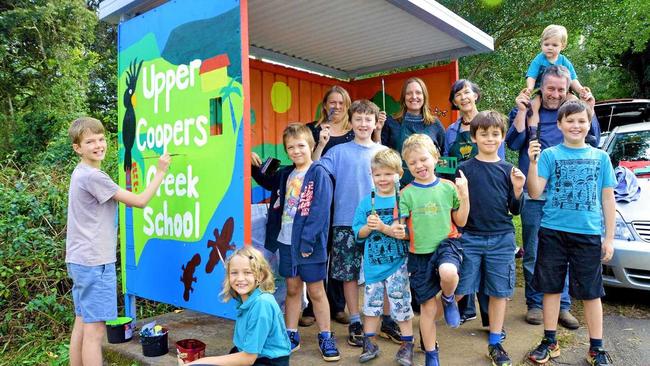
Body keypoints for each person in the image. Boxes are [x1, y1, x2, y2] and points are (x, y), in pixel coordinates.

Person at [66, 117, 171, 366]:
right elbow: (141, 200)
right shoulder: (93, 177)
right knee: (95, 334)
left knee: (82, 323)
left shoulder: (80, 172)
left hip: (80, 261)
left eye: (101, 139)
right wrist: (160, 171)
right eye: (90, 141)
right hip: (95, 263)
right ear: (77, 148)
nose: (98, 145)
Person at [505, 65, 599, 328]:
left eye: (560, 89)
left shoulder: (573, 111)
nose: (555, 94)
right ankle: (535, 303)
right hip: (534, 190)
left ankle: (563, 306)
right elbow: (512, 143)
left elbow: (594, 139)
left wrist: (589, 109)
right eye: (550, 88)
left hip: (565, 191)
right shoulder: (528, 107)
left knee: (564, 250)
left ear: (567, 88)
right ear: (541, 87)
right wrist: (522, 112)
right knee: (534, 250)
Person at [525, 101, 615, 366]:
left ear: (589, 125)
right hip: (553, 232)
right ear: (560, 124)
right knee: (551, 289)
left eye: (581, 121)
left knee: (591, 292)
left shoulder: (601, 158)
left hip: (588, 234)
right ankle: (549, 341)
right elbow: (533, 192)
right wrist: (532, 163)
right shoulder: (550, 155)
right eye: (570, 121)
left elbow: (608, 199)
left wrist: (608, 238)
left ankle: (596, 348)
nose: (576, 126)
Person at [251, 123, 340, 361]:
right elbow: (265, 181)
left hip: (310, 245)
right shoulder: (285, 174)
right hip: (286, 242)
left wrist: (308, 242)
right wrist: (252, 165)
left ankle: (326, 335)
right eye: (290, 147)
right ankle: (291, 334)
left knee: (316, 291)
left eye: (301, 145)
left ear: (311, 145)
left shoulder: (319, 172)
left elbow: (320, 211)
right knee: (292, 289)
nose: (296, 151)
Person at [454, 111, 526, 366]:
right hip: (470, 237)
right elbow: (456, 211)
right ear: (474, 137)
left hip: (501, 239)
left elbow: (515, 210)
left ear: (503, 137)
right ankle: (430, 326)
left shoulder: (509, 170)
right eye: (483, 134)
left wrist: (518, 189)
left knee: (498, 291)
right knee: (460, 288)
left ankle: (495, 341)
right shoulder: (463, 170)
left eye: (495, 134)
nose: (489, 138)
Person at [320, 99, 387, 347]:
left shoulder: (382, 151)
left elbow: (394, 183)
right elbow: (316, 168)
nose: (363, 124)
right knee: (348, 274)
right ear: (351, 121)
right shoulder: (337, 151)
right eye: (358, 119)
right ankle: (355, 319)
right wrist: (321, 144)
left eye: (367, 119)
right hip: (345, 222)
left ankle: (380, 317)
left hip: (377, 222)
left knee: (378, 271)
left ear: (374, 122)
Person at [397, 133, 469, 366]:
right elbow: (402, 225)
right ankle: (431, 354)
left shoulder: (448, 188)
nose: (419, 165)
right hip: (419, 254)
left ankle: (448, 298)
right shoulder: (406, 193)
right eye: (412, 162)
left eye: (423, 159)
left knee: (449, 273)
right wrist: (397, 229)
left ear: (436, 158)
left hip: (447, 244)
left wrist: (465, 195)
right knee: (427, 309)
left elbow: (461, 220)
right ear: (406, 166)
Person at [444, 79, 504, 325]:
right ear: (455, 101)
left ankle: (489, 317)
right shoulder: (451, 130)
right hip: (461, 193)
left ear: (476, 95)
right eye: (458, 94)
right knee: (466, 253)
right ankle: (465, 308)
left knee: (487, 260)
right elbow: (447, 162)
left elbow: (500, 159)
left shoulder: (490, 123)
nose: (463, 97)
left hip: (488, 192)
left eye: (467, 92)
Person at [352, 149, 415, 365]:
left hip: (398, 263)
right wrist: (368, 229)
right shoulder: (365, 202)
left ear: (399, 173)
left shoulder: (405, 199)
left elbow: (410, 233)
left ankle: (407, 345)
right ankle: (369, 343)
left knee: (401, 304)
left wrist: (384, 227)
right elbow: (357, 233)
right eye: (378, 175)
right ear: (371, 175)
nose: (383, 179)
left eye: (388, 174)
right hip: (373, 265)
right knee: (371, 305)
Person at [184, 247, 292, 366]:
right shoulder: (246, 298)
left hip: (267, 362)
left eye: (248, 272)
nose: (240, 278)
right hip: (251, 355)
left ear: (260, 276)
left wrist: (199, 362)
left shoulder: (262, 303)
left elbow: (248, 358)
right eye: (234, 272)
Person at [304, 85, 351, 325]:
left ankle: (337, 304)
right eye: (332, 102)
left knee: (340, 254)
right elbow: (310, 166)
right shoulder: (313, 129)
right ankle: (313, 306)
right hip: (321, 200)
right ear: (325, 105)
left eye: (341, 103)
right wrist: (320, 143)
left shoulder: (356, 131)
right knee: (320, 252)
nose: (337, 107)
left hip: (345, 199)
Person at [378, 77, 446, 186]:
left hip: (431, 187)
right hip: (400, 186)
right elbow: (381, 154)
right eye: (409, 93)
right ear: (404, 97)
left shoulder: (435, 124)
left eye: (418, 93)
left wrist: (441, 181)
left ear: (424, 96)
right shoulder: (391, 122)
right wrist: (378, 130)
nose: (414, 97)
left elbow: (445, 154)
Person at [525, 25, 586, 131]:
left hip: (563, 91)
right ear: (541, 44)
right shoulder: (539, 59)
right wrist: (529, 88)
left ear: (562, 46)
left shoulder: (564, 61)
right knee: (533, 106)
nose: (550, 47)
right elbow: (531, 75)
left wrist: (580, 90)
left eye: (554, 45)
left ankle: (583, 129)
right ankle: (533, 132)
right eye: (546, 44)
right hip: (542, 91)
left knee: (576, 102)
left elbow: (572, 79)